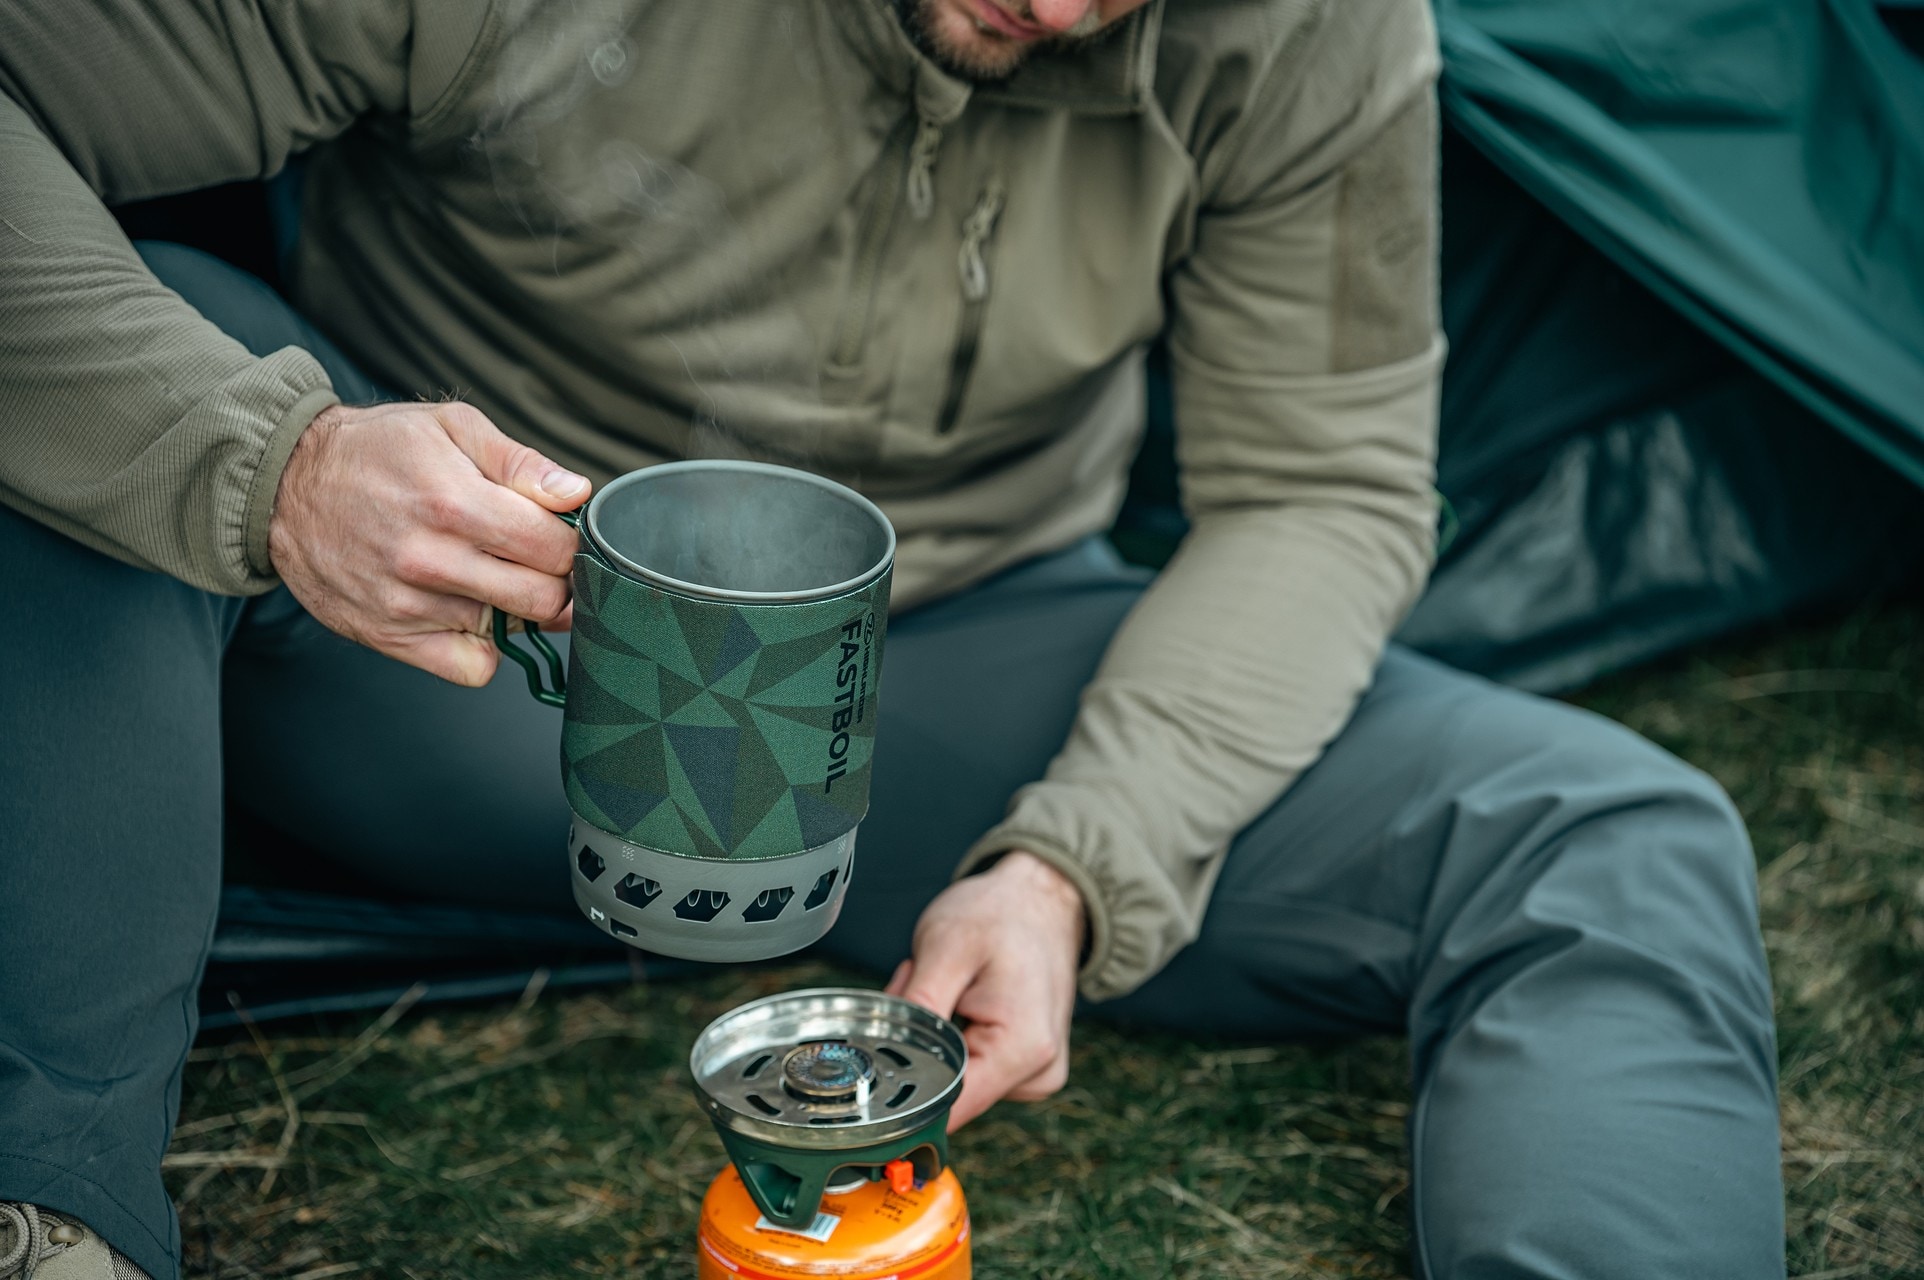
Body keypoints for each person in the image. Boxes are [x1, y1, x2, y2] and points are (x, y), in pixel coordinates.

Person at [0, 1, 1785, 1277]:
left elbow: (1323, 488)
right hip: (453, 647)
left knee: (1599, 837)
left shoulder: (1312, 27)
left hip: (936, 686)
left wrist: (1080, 859)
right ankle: (51, 1213)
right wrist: (273, 465)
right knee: (113, 388)